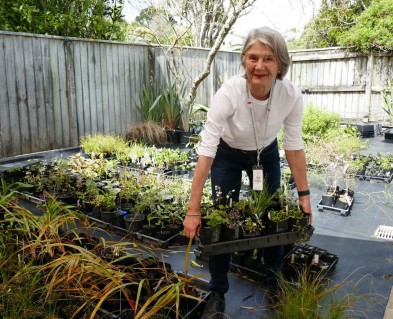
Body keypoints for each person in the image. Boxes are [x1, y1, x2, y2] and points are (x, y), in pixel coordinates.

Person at [183, 26, 312, 319]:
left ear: (280, 64)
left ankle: (274, 280)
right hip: (227, 155)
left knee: (271, 216)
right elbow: (207, 150)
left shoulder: (290, 95)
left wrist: (304, 194)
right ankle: (217, 290)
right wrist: (193, 209)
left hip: (265, 154)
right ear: (243, 60)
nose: (259, 66)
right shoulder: (229, 93)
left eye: (268, 58)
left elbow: (293, 146)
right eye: (253, 57)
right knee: (221, 221)